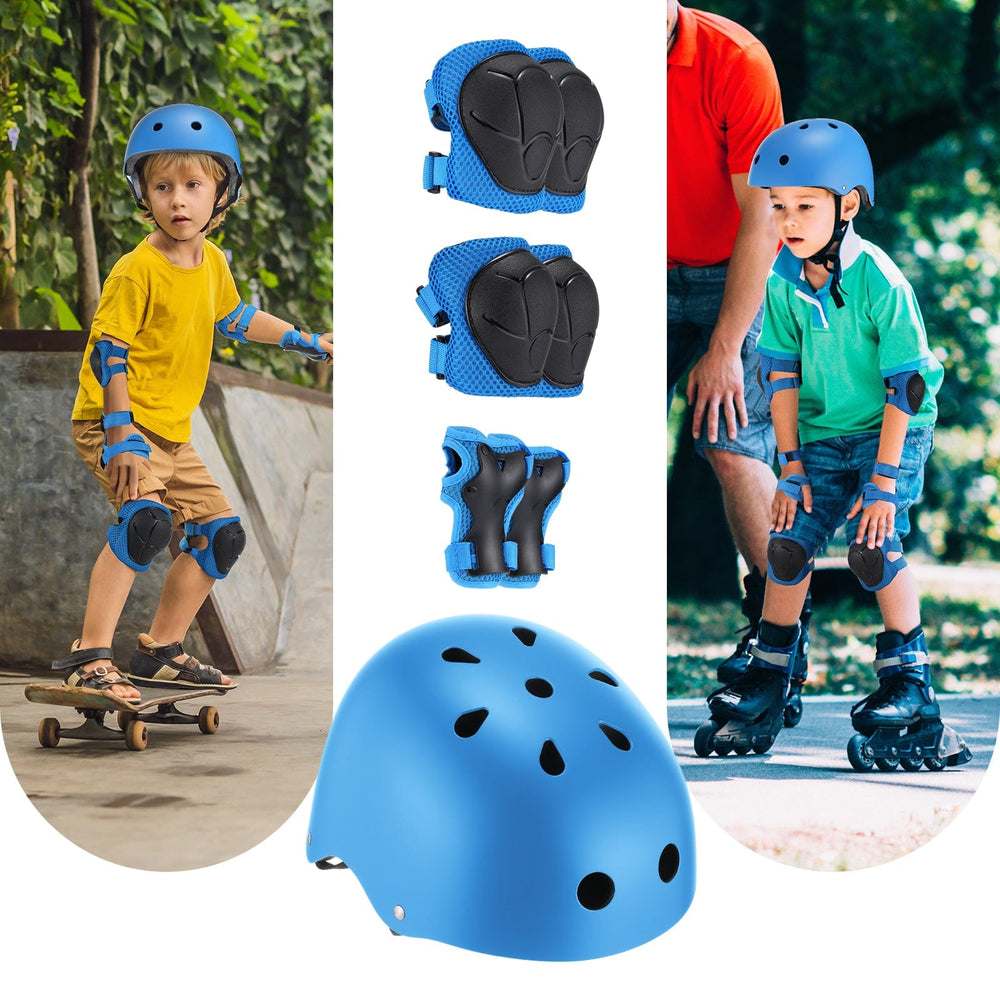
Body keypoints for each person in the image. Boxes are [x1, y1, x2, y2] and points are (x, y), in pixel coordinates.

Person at [699, 117, 968, 768]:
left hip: (892, 427)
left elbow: (904, 387)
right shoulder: (784, 283)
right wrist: (789, 467)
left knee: (872, 548)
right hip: (823, 432)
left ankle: (913, 689)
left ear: (847, 205)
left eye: (805, 206)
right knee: (787, 547)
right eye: (778, 207)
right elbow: (783, 377)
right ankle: (770, 675)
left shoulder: (880, 280)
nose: (788, 222)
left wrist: (879, 485)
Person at [58, 103, 332, 702]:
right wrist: (119, 431)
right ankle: (90, 656)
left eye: (192, 185)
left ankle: (159, 651)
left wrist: (302, 340)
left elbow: (234, 317)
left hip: (171, 434)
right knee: (146, 522)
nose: (178, 200)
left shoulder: (210, 262)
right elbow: (110, 350)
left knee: (220, 536)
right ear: (143, 194)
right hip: (114, 423)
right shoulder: (137, 271)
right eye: (162, 187)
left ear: (221, 193)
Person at [667, 2, 810, 698]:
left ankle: (778, 633)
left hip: (738, 266)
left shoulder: (735, 61)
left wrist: (724, 348)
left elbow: (764, 217)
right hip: (643, 269)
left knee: (731, 439)